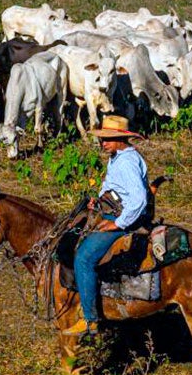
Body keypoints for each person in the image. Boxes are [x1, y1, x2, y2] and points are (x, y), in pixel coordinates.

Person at [62, 115, 149, 336]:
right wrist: (98, 201)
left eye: (108, 139)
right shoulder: (117, 157)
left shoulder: (127, 162)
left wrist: (117, 224)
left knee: (83, 258)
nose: (103, 143)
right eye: (102, 139)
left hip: (123, 218)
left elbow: (138, 199)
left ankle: (91, 320)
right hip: (109, 211)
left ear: (121, 138)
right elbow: (112, 187)